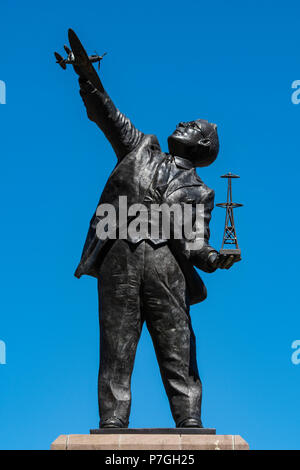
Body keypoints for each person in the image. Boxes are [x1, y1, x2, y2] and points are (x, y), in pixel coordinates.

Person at [71, 62, 238, 429]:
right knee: (115, 345)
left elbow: (196, 241)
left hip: (167, 266)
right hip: (120, 258)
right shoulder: (139, 147)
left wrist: (213, 257)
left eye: (193, 127)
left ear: (204, 145)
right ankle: (112, 422)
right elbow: (111, 117)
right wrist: (89, 80)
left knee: (177, 346)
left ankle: (190, 419)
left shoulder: (201, 192)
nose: (183, 124)